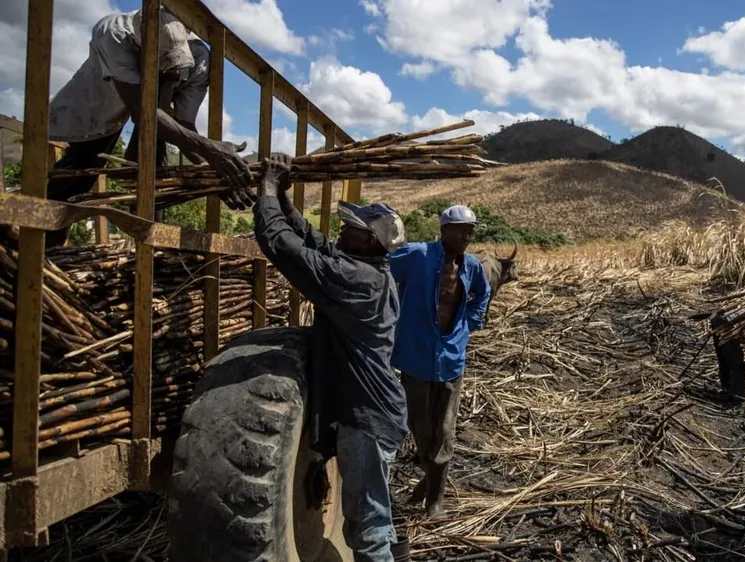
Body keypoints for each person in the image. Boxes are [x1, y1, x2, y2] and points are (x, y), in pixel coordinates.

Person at [252, 153, 407, 562]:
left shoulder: (357, 279)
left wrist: (266, 187)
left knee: (368, 528)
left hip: (368, 420)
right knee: (372, 515)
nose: (342, 230)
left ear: (373, 241)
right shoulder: (368, 268)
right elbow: (313, 241)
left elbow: (283, 247)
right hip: (373, 412)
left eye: (353, 229)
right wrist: (283, 196)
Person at [46, 7, 254, 247]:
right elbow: (143, 114)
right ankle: (41, 251)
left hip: (153, 113)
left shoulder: (199, 59)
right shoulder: (114, 34)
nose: (174, 70)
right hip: (98, 108)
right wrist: (211, 150)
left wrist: (214, 172)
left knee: (151, 178)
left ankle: (146, 255)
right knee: (74, 178)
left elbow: (183, 125)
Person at [388, 204, 491, 518]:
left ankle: (435, 500)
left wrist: (468, 325)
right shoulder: (418, 255)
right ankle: (428, 478)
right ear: (444, 230)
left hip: (449, 359)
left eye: (471, 230)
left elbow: (482, 295)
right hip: (416, 357)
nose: (467, 235)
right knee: (419, 427)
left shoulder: (472, 267)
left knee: (444, 429)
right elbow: (380, 269)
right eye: (461, 229)